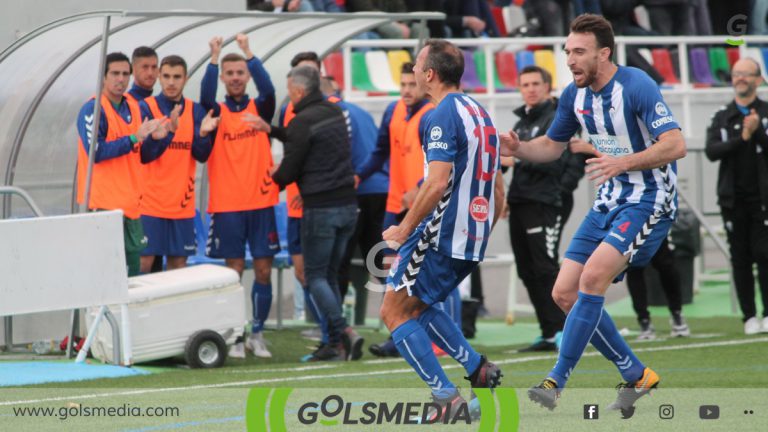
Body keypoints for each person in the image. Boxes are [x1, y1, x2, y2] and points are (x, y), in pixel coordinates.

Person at [500, 14, 686, 415]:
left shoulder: (636, 84)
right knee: (564, 293)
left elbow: (675, 145)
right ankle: (637, 375)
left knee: (591, 278)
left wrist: (625, 162)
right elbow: (552, 145)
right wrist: (518, 149)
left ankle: (556, 380)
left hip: (648, 199)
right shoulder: (574, 95)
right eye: (567, 51)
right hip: (609, 199)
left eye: (579, 52)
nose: (569, 59)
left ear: (604, 53)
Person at [380, 39, 505, 421]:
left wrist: (402, 229)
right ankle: (478, 369)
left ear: (430, 74)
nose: (414, 71)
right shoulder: (479, 112)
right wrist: (483, 228)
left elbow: (435, 184)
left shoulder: (439, 115)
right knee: (419, 305)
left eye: (417, 65)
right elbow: (499, 188)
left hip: (441, 233)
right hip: (471, 235)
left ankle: (447, 400)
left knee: (394, 313)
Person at [249, 65, 365, 362]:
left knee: (314, 276)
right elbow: (304, 139)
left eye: (289, 91)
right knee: (328, 274)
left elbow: (288, 171)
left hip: (321, 208)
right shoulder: (333, 113)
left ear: (299, 91)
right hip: (348, 207)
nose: (289, 97)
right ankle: (334, 344)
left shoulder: (302, 121)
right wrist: (271, 129)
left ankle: (344, 332)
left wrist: (270, 176)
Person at [200, 34, 279, 359]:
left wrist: (249, 53)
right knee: (233, 272)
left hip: (261, 203)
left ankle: (256, 333)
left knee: (263, 270)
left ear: (246, 75)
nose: (235, 78)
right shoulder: (215, 113)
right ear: (223, 78)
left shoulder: (259, 107)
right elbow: (205, 95)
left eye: (240, 73)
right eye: (229, 74)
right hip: (228, 205)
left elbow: (270, 89)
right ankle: (233, 334)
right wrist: (214, 56)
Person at [357, 62, 434, 358]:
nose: (406, 90)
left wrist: (419, 185)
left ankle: (421, 337)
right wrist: (358, 176)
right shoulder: (392, 111)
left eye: (411, 84)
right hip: (394, 205)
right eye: (402, 84)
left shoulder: (433, 114)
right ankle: (402, 336)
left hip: (423, 207)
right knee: (390, 271)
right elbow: (379, 152)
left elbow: (441, 162)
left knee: (421, 276)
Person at [76, 52, 164, 276]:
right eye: (115, 73)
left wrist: (157, 139)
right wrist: (134, 138)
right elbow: (96, 152)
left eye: (125, 74)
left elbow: (141, 155)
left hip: (131, 206)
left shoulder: (134, 107)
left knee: (131, 279)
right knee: (104, 276)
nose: (121, 79)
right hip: (103, 206)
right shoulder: (93, 109)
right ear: (103, 77)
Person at [504, 65, 573, 353]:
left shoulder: (555, 119)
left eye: (535, 83)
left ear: (548, 86)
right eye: (525, 84)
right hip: (519, 202)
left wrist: (518, 159)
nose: (530, 89)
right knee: (526, 270)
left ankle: (565, 331)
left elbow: (555, 162)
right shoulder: (521, 123)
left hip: (544, 203)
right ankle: (548, 332)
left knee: (545, 268)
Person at [137, 55, 219, 273]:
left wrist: (202, 135)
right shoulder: (146, 108)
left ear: (186, 79)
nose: (171, 82)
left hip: (181, 206)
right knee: (144, 263)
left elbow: (202, 155)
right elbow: (144, 155)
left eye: (176, 77)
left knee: (178, 266)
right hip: (149, 204)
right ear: (159, 78)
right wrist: (164, 136)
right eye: (166, 76)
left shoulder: (195, 111)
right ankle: (135, 308)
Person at [705, 57, 768, 335]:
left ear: (758, 79)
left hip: (763, 200)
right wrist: (742, 137)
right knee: (740, 258)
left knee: (764, 255)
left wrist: (758, 133)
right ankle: (748, 316)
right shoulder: (722, 115)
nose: (740, 79)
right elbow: (712, 151)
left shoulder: (765, 113)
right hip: (733, 200)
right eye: (736, 74)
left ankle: (767, 313)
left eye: (746, 74)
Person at [625, 238, 690, 339]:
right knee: (634, 268)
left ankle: (677, 313)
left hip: (654, 225)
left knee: (666, 264)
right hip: (632, 227)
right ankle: (644, 320)